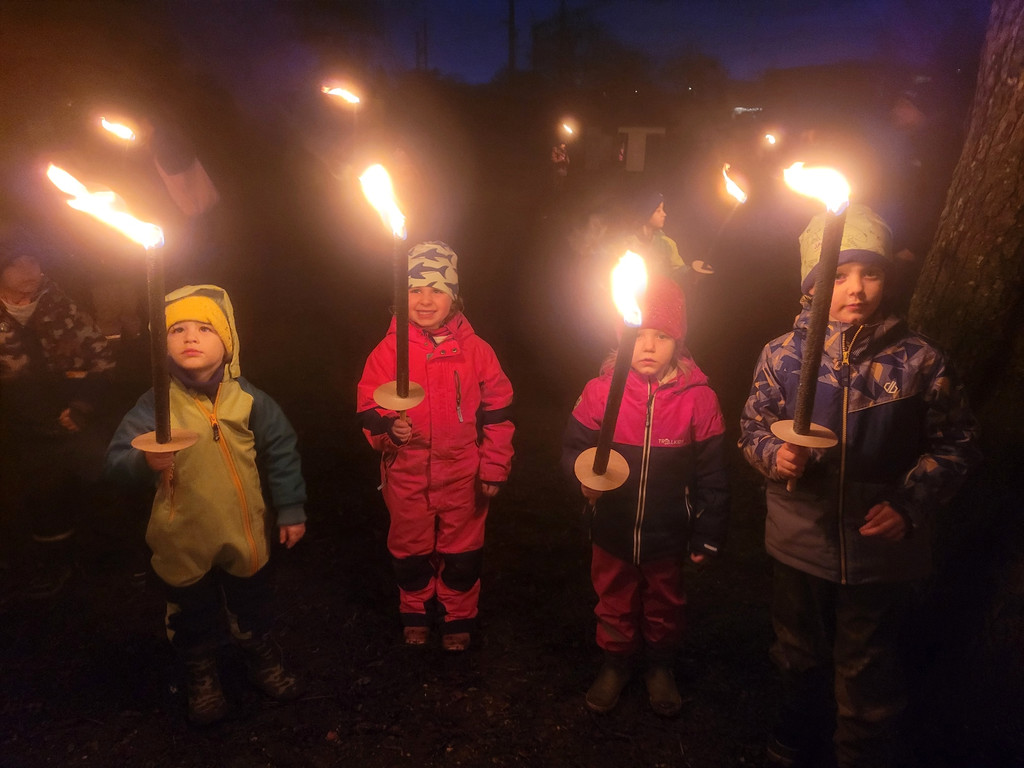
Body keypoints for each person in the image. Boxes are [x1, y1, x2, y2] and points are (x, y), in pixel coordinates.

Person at [738, 204, 981, 767]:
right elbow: (751, 427)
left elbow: (958, 443)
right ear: (812, 286)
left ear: (887, 279)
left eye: (870, 273)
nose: (855, 288)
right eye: (838, 275)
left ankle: (860, 754)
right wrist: (777, 455)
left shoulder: (919, 361)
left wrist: (909, 503)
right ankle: (791, 743)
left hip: (877, 547)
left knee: (866, 661)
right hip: (801, 535)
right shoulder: (783, 355)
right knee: (797, 650)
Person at [105, 284, 307, 725]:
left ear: (228, 342)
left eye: (204, 328)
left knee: (251, 606)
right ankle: (201, 674)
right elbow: (115, 461)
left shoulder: (250, 400)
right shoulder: (154, 406)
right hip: (182, 536)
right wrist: (144, 461)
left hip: (243, 530)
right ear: (163, 344)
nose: (190, 337)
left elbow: (282, 450)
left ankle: (260, 656)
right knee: (190, 615)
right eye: (177, 329)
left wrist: (291, 508)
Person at [561, 274, 729, 716]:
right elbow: (574, 451)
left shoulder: (700, 400)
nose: (649, 346)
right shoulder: (600, 393)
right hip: (612, 526)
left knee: (665, 602)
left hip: (669, 529)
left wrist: (708, 530)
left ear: (680, 341)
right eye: (638, 336)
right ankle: (615, 662)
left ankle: (659, 666)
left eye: (662, 336)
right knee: (612, 596)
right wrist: (582, 482)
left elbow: (713, 474)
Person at [357, 241, 514, 652]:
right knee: (410, 550)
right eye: (414, 290)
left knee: (462, 553)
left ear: (454, 297)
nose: (425, 300)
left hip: (463, 473)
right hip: (407, 473)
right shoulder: (388, 351)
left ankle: (458, 614)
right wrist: (390, 430)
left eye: (437, 290)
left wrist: (494, 466)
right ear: (400, 296)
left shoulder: (476, 351)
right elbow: (369, 406)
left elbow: (498, 412)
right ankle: (415, 609)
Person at [0, 229, 116, 600]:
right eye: (16, 263)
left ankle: (112, 560)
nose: (28, 269)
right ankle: (53, 564)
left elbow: (101, 359)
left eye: (33, 260)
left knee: (100, 480)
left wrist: (82, 407)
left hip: (73, 419)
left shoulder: (61, 305)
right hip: (17, 429)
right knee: (38, 496)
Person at [623, 190, 690, 284]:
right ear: (646, 214)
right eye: (658, 211)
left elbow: (678, 272)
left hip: (659, 296)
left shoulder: (667, 244)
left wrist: (691, 273)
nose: (664, 214)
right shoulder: (626, 243)